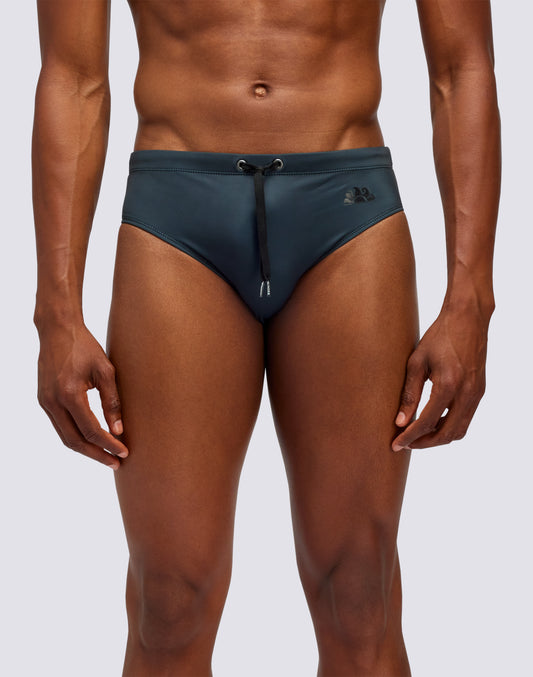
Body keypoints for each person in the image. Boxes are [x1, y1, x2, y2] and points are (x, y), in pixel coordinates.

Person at [31, 0, 500, 675]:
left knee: (357, 593)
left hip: (348, 211)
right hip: (174, 215)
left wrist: (470, 299)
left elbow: (462, 66)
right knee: (170, 602)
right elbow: (72, 76)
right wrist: (56, 310)